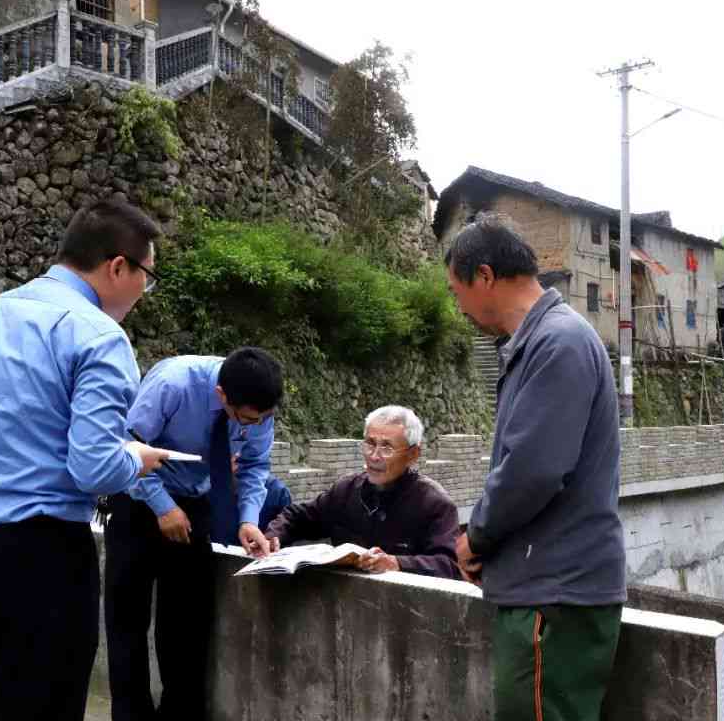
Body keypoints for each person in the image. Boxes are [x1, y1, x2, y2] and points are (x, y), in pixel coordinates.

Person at [0, 200, 170, 721]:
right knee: (43, 702)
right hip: (40, 553)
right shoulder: (97, 335)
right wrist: (134, 458)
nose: (143, 291)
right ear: (118, 266)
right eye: (146, 276)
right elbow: (93, 468)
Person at [445, 213, 626, 721]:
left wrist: (476, 537)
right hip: (546, 589)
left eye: (456, 290)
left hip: (554, 595)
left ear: (484, 277)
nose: (457, 306)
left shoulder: (558, 341)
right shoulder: (541, 340)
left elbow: (533, 469)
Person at [105, 348, 282, 721]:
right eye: (245, 420)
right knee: (128, 617)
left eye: (261, 420)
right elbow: (125, 446)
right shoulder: (173, 383)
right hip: (137, 497)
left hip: (196, 501)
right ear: (222, 396)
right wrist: (162, 506)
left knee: (187, 620)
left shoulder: (258, 408)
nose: (251, 428)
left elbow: (253, 465)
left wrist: (247, 519)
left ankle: (180, 712)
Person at [265, 405, 461, 580]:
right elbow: (298, 516)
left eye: (387, 447)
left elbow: (450, 565)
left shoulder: (435, 504)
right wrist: (273, 537)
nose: (374, 456)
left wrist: (397, 563)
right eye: (370, 443)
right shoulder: (346, 490)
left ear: (413, 454)